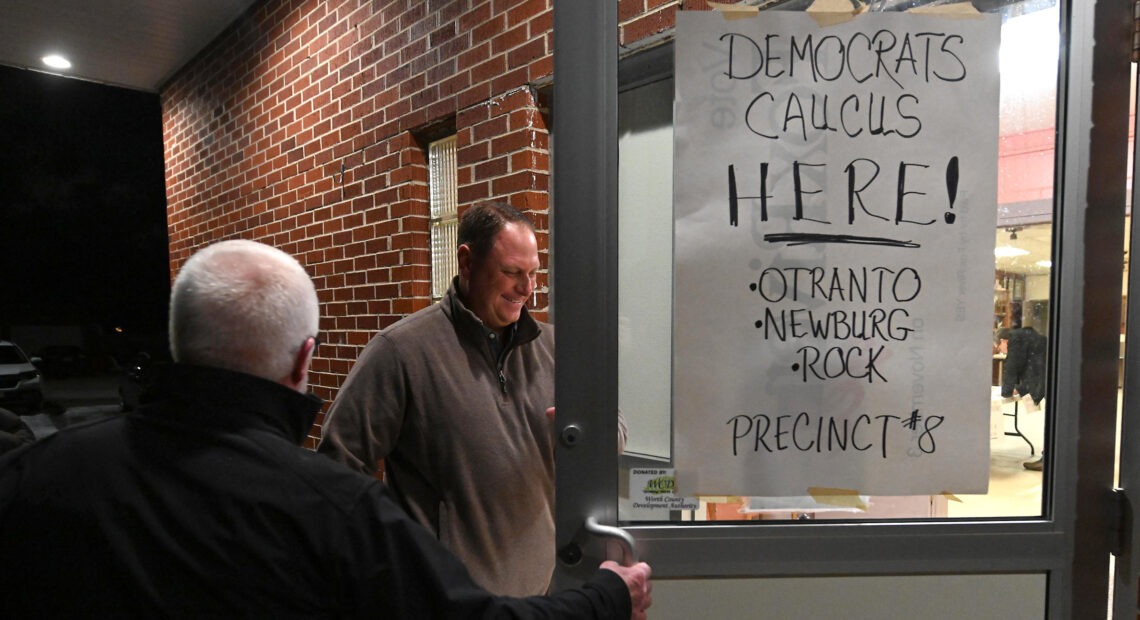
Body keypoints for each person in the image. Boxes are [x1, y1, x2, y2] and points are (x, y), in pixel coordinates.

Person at [0, 239, 651, 618]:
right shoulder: (333, 510)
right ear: (306, 357)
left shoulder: (41, 474)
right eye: (512, 272)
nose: (524, 287)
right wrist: (606, 599)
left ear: (179, 341)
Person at [320, 201, 587, 596]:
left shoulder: (555, 348)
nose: (527, 288)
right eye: (512, 273)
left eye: (533, 274)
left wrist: (580, 437)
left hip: (541, 598)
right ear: (467, 261)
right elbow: (337, 466)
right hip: (441, 602)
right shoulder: (402, 351)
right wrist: (391, 558)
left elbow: (612, 426)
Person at [996, 325, 1048, 471]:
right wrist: (1020, 388)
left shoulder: (1016, 341)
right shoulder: (1031, 338)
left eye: (999, 347)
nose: (1001, 351)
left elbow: (1012, 367)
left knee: (1054, 422)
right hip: (1051, 379)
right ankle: (1048, 458)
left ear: (1003, 341)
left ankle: (1048, 460)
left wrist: (1006, 391)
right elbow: (1033, 370)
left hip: (1049, 381)